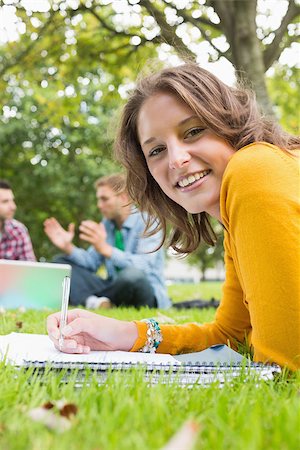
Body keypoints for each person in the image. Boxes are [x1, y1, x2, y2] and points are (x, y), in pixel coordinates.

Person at [47, 63, 300, 370]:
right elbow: (232, 336)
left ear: (229, 122)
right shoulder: (236, 216)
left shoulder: (255, 169)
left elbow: (287, 366)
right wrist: (124, 334)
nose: (177, 160)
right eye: (157, 151)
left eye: (194, 131)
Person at [44, 173, 170, 309]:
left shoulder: (149, 223)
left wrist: (106, 249)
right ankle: (97, 302)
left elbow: (143, 267)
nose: (99, 205)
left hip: (144, 290)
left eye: (104, 199)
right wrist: (68, 247)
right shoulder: (106, 225)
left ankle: (89, 299)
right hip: (114, 288)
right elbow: (91, 263)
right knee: (62, 264)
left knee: (132, 276)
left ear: (123, 198)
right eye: (98, 200)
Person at [0, 180, 36, 261]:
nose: (13, 207)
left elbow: (30, 269)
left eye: (12, 200)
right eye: (5, 202)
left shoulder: (18, 230)